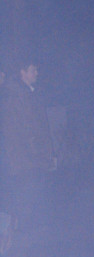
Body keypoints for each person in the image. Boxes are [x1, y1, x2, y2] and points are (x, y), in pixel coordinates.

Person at [1, 59, 56, 233]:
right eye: (33, 70)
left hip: (31, 157)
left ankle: (32, 229)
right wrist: (40, 153)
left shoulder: (29, 94)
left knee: (33, 195)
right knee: (27, 195)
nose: (37, 73)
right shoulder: (16, 97)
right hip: (26, 158)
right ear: (22, 73)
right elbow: (24, 130)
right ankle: (25, 232)